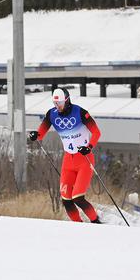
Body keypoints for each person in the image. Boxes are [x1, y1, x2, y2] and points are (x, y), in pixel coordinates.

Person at [28, 88, 103, 223]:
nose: (58, 106)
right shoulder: (52, 114)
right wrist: (36, 135)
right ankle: (77, 227)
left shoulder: (80, 112)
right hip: (68, 160)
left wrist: (89, 147)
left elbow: (96, 132)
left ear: (67, 100)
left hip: (84, 160)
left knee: (78, 198)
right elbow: (41, 132)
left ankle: (96, 222)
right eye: (55, 103)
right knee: (66, 200)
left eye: (60, 103)